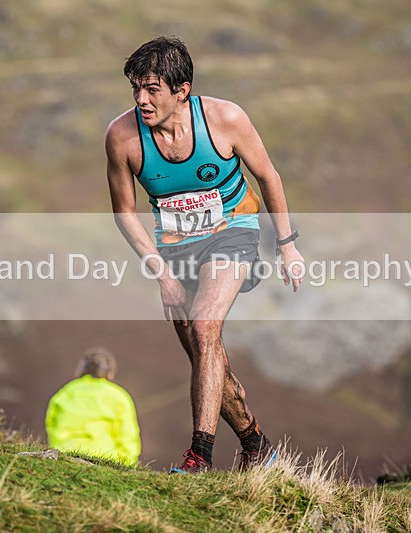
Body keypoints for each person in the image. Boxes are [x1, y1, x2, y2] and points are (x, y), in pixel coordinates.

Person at [105, 36, 305, 473]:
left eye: (152, 89)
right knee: (205, 352)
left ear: (183, 90)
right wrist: (163, 274)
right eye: (136, 88)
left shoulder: (224, 119)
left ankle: (199, 457)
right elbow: (124, 214)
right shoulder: (122, 137)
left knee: (204, 325)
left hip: (233, 233)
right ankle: (257, 446)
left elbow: (269, 176)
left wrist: (287, 245)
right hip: (174, 249)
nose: (141, 100)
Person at [45, 347, 141, 466]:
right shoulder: (118, 396)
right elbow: (128, 436)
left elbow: (52, 425)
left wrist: (58, 449)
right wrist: (127, 466)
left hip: (65, 456)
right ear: (111, 371)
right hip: (106, 460)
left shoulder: (65, 392)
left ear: (82, 369)